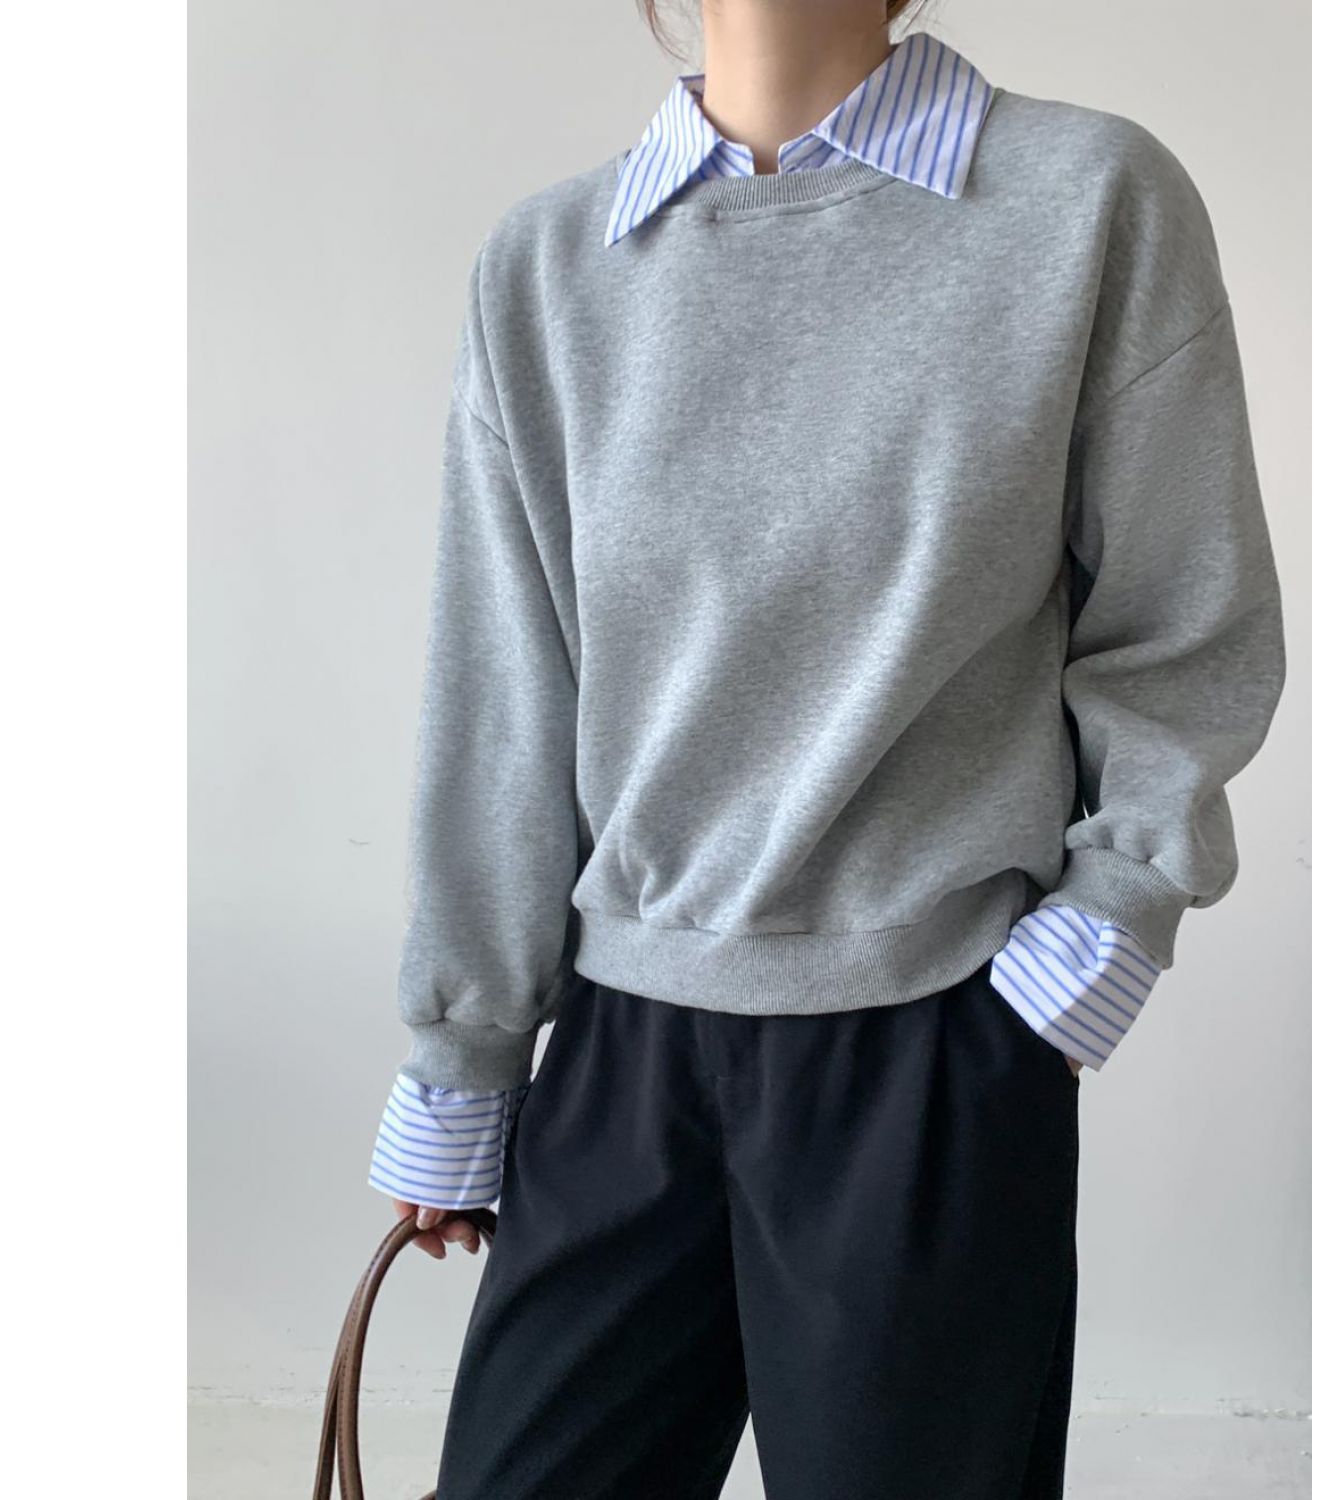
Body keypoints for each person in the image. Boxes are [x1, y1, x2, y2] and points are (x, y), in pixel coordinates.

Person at [366, 2, 1286, 1495]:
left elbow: (1186, 621)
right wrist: (465, 1056)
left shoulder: (1086, 200)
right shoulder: (547, 263)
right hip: (620, 1045)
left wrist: (1098, 940)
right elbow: (506, 698)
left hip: (931, 1038)